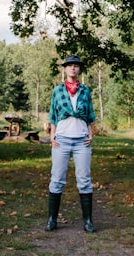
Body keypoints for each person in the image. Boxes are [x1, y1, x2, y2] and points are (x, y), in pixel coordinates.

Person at [44, 55, 96, 233]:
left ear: (80, 69)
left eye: (76, 66)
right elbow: (53, 115)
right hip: (62, 140)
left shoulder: (85, 91)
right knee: (57, 179)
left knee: (84, 180)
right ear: (65, 69)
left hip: (82, 141)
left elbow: (90, 115)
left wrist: (91, 134)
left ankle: (88, 220)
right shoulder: (57, 91)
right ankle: (52, 219)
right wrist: (52, 135)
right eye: (70, 66)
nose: (73, 69)